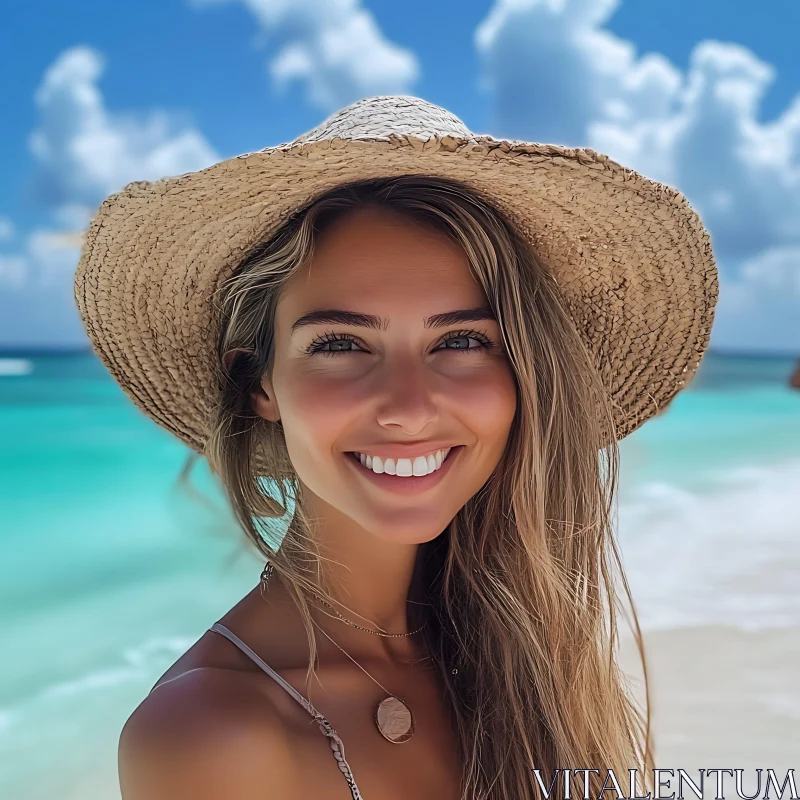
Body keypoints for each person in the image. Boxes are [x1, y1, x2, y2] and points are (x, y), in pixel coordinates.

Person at [73, 95, 719, 800]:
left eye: (462, 341)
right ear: (258, 384)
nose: (409, 409)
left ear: (523, 375)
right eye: (342, 344)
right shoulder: (211, 734)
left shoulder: (522, 657)